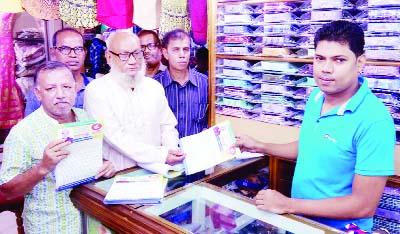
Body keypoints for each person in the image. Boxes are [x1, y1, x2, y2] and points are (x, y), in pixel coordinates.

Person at [234, 21, 395, 232]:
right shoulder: (317, 97)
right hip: (300, 221)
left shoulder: (375, 121)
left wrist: (288, 204)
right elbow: (309, 147)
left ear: (360, 62)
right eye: (320, 58)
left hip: (339, 229)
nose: (326, 69)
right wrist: (260, 146)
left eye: (339, 60)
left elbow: (363, 205)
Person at [0, 61, 115, 233]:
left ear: (75, 88)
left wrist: (105, 165)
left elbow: (92, 160)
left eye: (67, 87)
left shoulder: (85, 118)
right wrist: (43, 167)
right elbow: (7, 190)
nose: (61, 95)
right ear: (38, 94)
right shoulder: (22, 133)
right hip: (51, 225)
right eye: (51, 89)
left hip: (90, 217)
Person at [84, 31, 184, 171]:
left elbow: (168, 126)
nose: (132, 61)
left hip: (159, 171)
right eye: (124, 55)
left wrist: (171, 151)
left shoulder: (154, 87)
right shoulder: (96, 91)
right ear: (109, 57)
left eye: (137, 53)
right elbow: (115, 137)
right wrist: (161, 155)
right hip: (119, 174)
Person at [24, 28, 93, 116]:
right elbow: (30, 126)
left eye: (78, 49)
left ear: (85, 53)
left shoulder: (95, 87)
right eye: (65, 49)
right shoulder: (41, 91)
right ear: (53, 52)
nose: (73, 55)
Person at [154, 29, 208, 138]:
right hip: (166, 152)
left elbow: (211, 119)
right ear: (165, 53)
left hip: (197, 151)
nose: (182, 55)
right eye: (176, 50)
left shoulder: (204, 83)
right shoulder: (154, 86)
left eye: (186, 49)